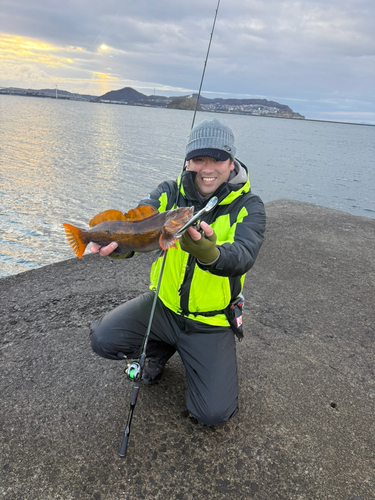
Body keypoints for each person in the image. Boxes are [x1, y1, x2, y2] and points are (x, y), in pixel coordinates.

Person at [89, 118, 266, 425]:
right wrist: (119, 246)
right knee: (102, 337)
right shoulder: (168, 192)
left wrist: (210, 253)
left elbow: (243, 256)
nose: (207, 168)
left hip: (210, 322)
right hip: (163, 306)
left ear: (231, 160)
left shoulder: (249, 206)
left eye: (217, 158)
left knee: (212, 413)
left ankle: (185, 350)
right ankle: (159, 350)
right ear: (188, 161)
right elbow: (139, 225)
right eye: (199, 159)